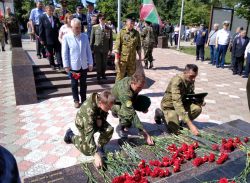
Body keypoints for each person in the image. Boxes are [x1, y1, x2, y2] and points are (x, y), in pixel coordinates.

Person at [64, 90, 115, 169]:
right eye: (108, 108)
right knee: (87, 151)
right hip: (83, 124)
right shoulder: (88, 109)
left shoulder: (103, 100)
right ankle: (70, 135)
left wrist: (99, 119)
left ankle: (100, 147)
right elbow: (89, 133)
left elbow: (102, 112)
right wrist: (95, 155)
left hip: (96, 120)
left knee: (109, 129)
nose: (109, 109)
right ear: (101, 103)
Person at [155, 64, 203, 136]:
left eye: (195, 76)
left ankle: (183, 122)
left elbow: (191, 94)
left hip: (182, 102)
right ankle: (160, 114)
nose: (193, 79)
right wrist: (190, 125)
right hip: (169, 106)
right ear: (185, 73)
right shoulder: (177, 81)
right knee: (175, 131)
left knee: (197, 108)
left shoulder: (190, 80)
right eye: (192, 76)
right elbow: (177, 102)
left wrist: (199, 100)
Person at [111, 73, 154, 146]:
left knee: (145, 102)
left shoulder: (133, 82)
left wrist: (143, 107)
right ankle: (121, 126)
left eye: (142, 88)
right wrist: (144, 133)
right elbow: (131, 112)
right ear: (132, 83)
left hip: (128, 99)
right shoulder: (125, 91)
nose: (140, 90)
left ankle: (127, 120)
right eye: (139, 87)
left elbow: (133, 96)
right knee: (127, 114)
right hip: (115, 103)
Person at [62, 18, 93, 108]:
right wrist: (66, 65)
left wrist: (90, 63)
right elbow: (64, 52)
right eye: (76, 28)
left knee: (83, 84)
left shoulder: (84, 36)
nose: (78, 29)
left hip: (83, 65)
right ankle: (76, 100)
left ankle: (83, 99)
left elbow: (88, 50)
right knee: (74, 84)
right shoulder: (66, 37)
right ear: (72, 27)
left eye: (79, 27)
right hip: (73, 66)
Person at [114, 14, 142, 82]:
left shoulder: (136, 33)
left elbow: (138, 47)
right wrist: (116, 58)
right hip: (122, 60)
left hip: (132, 60)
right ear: (126, 22)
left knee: (131, 77)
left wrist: (140, 58)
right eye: (130, 23)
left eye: (133, 23)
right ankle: (117, 91)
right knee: (120, 76)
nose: (132, 24)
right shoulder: (121, 32)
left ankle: (129, 91)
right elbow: (117, 47)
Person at [39, 5, 63, 70]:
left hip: (56, 38)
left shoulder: (55, 18)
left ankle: (60, 65)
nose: (51, 12)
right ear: (46, 10)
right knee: (50, 53)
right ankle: (52, 64)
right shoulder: (42, 18)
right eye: (49, 10)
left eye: (52, 10)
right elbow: (41, 29)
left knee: (58, 52)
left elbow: (59, 27)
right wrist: (41, 39)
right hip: (47, 39)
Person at [90, 14, 113, 81]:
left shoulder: (108, 28)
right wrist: (91, 48)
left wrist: (110, 49)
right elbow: (92, 39)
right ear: (99, 20)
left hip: (105, 49)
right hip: (97, 49)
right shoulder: (94, 28)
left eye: (103, 19)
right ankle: (98, 75)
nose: (102, 20)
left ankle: (103, 74)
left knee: (104, 63)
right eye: (100, 19)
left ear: (104, 20)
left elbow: (110, 40)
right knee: (98, 63)